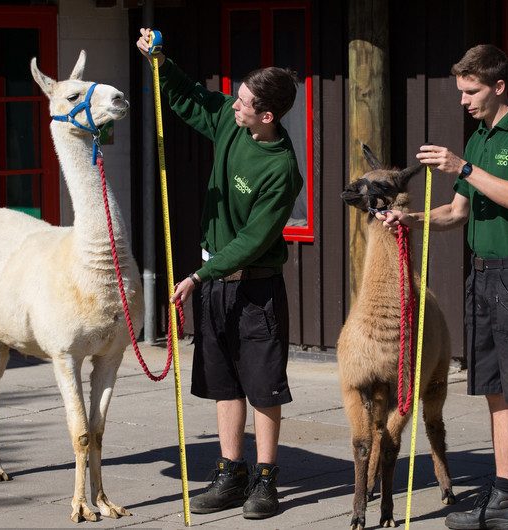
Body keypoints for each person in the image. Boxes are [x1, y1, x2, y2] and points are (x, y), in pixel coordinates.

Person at [381, 44, 508, 530]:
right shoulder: (480, 138)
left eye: (471, 91)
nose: (463, 101)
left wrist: (462, 167)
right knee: (497, 393)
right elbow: (457, 213)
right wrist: (410, 219)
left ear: (499, 86)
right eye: (460, 91)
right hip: (482, 277)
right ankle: (505, 500)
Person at [136, 28, 303, 520]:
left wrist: (201, 275)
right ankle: (230, 473)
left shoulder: (281, 169)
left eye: (244, 101)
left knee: (263, 387)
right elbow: (189, 98)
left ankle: (266, 479)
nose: (234, 104)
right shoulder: (232, 125)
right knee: (222, 383)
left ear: (266, 115)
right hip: (215, 285)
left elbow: (253, 240)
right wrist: (159, 59)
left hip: (254, 290)